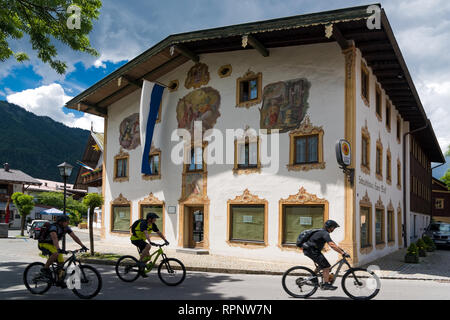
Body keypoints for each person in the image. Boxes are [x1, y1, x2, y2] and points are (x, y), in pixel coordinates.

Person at [38, 215, 88, 286]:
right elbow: (54, 238)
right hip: (44, 243)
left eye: (68, 221)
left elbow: (74, 237)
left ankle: (59, 280)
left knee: (61, 262)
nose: (68, 223)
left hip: (53, 245)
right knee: (56, 253)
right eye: (66, 222)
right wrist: (58, 249)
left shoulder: (66, 228)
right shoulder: (53, 227)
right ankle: (45, 269)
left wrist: (82, 246)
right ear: (61, 222)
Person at [302, 220, 350, 290]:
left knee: (322, 265)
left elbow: (333, 244)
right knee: (326, 267)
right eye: (334, 228)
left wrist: (342, 251)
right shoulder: (324, 233)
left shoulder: (322, 232)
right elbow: (332, 245)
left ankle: (312, 277)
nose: (334, 229)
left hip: (311, 250)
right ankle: (326, 284)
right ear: (330, 227)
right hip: (312, 251)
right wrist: (342, 253)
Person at [130, 212, 169, 277]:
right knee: (148, 246)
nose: (155, 220)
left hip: (142, 240)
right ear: (150, 219)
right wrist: (150, 242)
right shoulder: (143, 223)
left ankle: (141, 270)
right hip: (135, 239)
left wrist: (165, 240)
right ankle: (140, 262)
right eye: (154, 219)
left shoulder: (152, 225)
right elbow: (146, 233)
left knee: (148, 258)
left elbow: (159, 233)